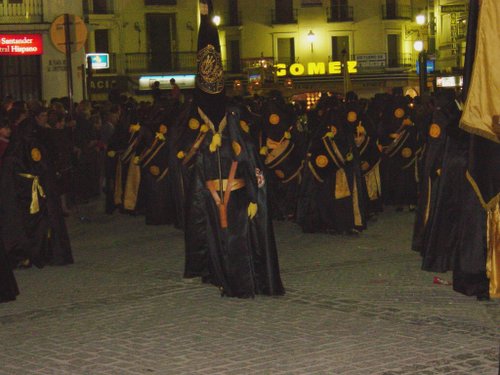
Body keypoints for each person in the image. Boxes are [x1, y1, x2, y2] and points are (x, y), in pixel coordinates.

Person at [183, 0, 284, 298]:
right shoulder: (201, 132)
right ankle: (220, 276)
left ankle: (244, 283)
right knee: (217, 241)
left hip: (238, 197)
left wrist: (254, 195)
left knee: (238, 242)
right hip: (212, 196)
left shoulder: (240, 133)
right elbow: (192, 163)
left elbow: (252, 165)